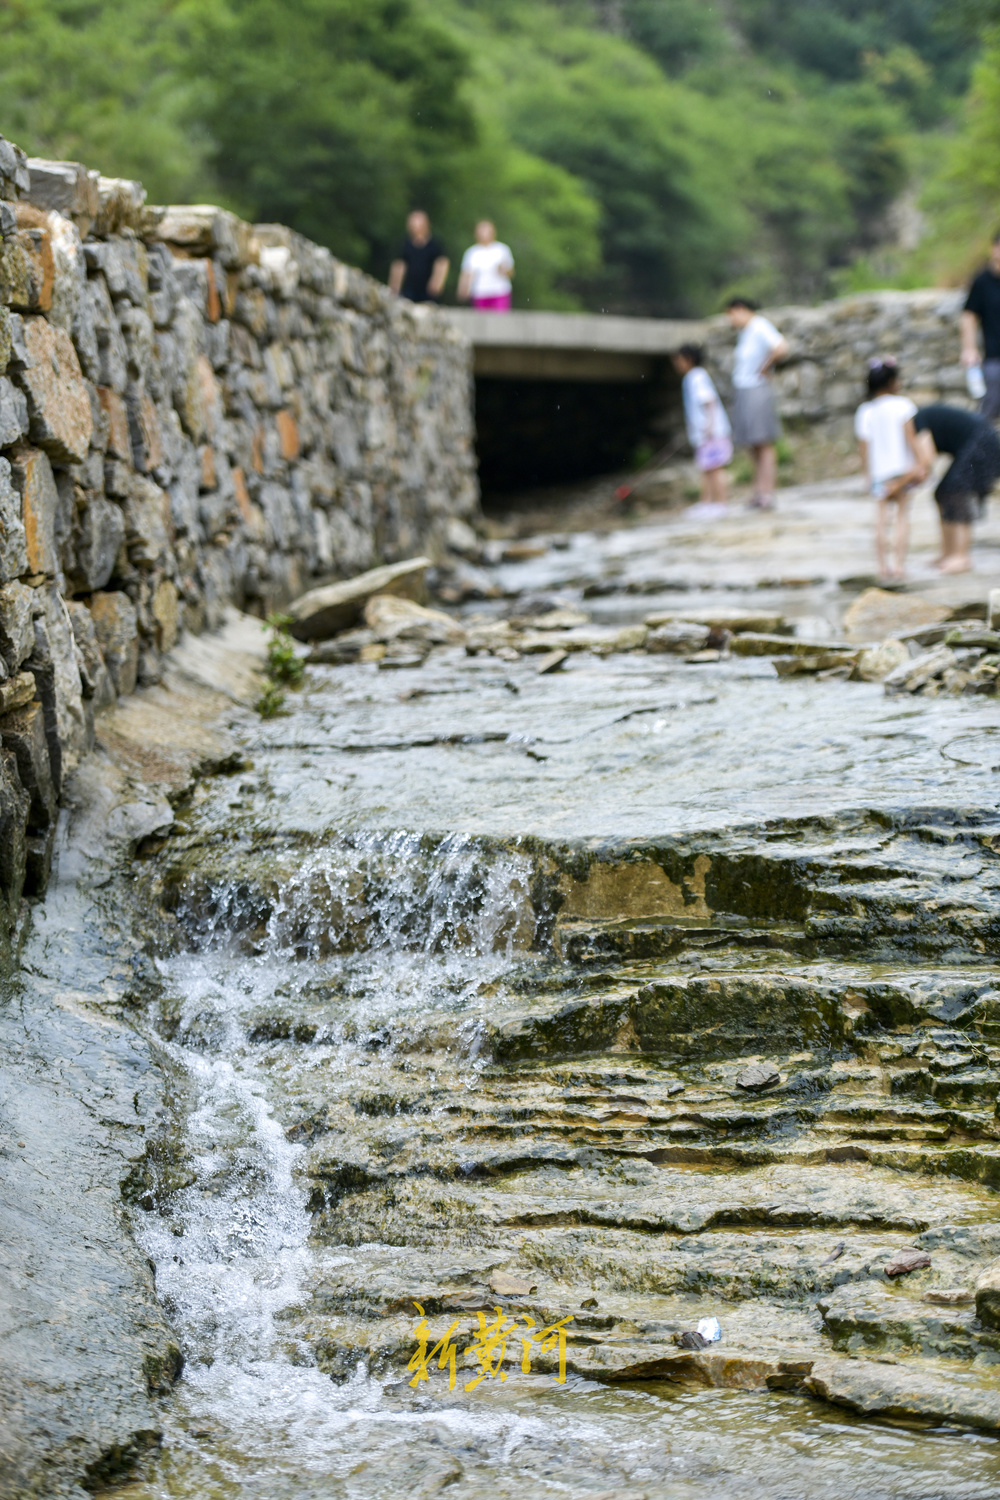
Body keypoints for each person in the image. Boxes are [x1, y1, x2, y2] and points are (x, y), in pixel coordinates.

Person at [911, 402, 1000, 574]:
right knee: (943, 492)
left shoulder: (917, 421)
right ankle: (947, 553)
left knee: (956, 491)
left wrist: (907, 479)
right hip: (979, 443)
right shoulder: (919, 419)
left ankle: (961, 556)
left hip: (982, 443)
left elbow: (927, 458)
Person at [854, 358, 921, 582]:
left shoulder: (865, 411)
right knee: (902, 517)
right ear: (892, 382)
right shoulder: (904, 405)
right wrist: (919, 461)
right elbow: (911, 437)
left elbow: (864, 446)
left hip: (879, 472)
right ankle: (899, 565)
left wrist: (867, 474)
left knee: (881, 518)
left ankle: (883, 566)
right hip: (901, 469)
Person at [725, 297, 789, 510]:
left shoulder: (760, 325)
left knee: (763, 442)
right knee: (752, 443)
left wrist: (765, 367)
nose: (730, 319)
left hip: (756, 388)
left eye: (731, 314)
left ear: (740, 309)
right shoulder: (745, 333)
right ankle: (758, 491)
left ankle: (767, 493)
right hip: (744, 388)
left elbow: (781, 347)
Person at [672, 343, 732, 514]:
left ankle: (721, 504)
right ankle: (706, 503)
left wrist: (709, 427)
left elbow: (709, 401)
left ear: (688, 359)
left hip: (712, 433)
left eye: (678, 360)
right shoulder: (692, 377)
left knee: (715, 467)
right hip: (703, 434)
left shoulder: (696, 376)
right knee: (706, 468)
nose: (676, 364)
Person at [960, 230, 1000, 419]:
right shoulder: (982, 282)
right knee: (988, 412)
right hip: (993, 358)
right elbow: (969, 316)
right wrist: (969, 348)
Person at [388, 211, 449, 304]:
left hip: (429, 291)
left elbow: (442, 263)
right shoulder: (404, 244)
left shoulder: (435, 244)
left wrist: (437, 283)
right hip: (409, 290)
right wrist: (394, 287)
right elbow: (398, 266)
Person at [457, 221, 514, 311]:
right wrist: (463, 289)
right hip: (480, 292)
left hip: (499, 291)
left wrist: (503, 270)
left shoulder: (502, 249)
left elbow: (511, 272)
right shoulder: (472, 252)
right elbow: (466, 273)